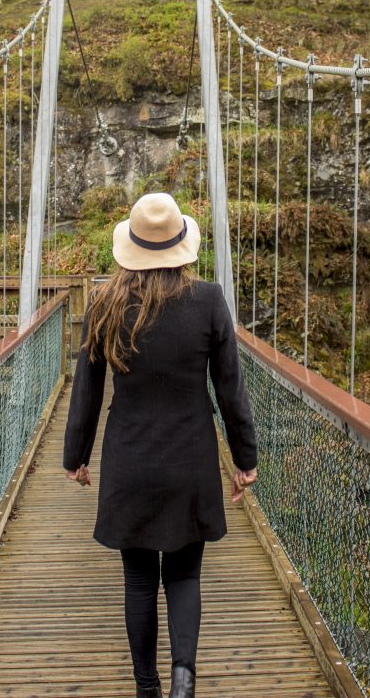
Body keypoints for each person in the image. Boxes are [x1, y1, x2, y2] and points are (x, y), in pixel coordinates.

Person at [63, 192, 258, 698]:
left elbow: (86, 388)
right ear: (182, 246)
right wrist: (244, 459)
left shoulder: (105, 302)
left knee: (139, 580)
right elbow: (230, 388)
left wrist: (76, 456)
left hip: (129, 460)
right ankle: (183, 682)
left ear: (130, 246)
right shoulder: (211, 300)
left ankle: (146, 688)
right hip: (191, 459)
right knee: (185, 575)